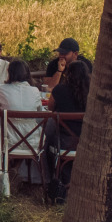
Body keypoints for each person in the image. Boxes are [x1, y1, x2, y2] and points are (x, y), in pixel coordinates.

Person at [45, 59, 92, 200]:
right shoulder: (93, 92)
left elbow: (50, 108)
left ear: (68, 74)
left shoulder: (60, 90)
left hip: (64, 143)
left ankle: (59, 183)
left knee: (47, 144)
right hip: (89, 142)